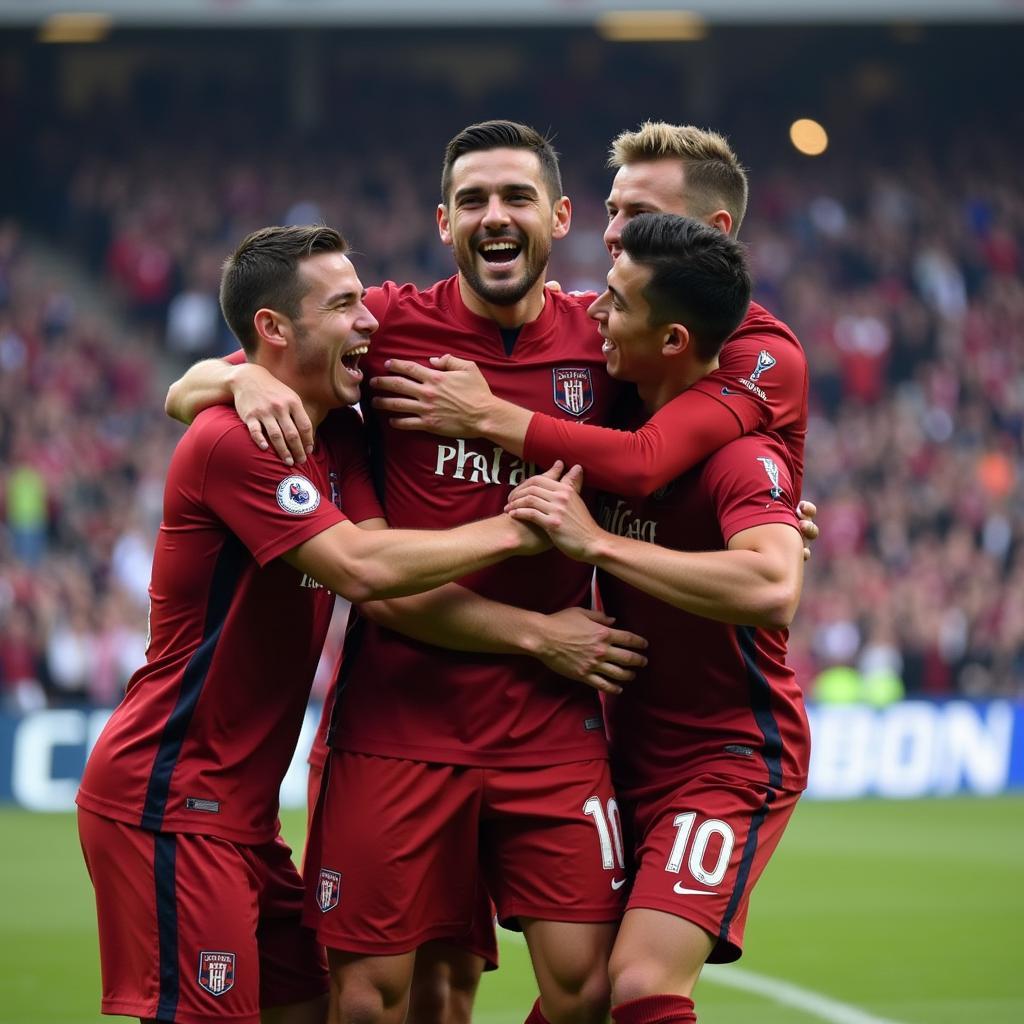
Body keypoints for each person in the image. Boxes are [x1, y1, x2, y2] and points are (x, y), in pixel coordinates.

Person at [165, 122, 650, 1024]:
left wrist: (777, 513)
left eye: (514, 197)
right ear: (443, 221)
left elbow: (687, 429)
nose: (493, 217)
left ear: (561, 215)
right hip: (398, 720)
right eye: (472, 201)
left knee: (588, 992)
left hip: (551, 723)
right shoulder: (386, 326)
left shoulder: (605, 342)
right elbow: (189, 386)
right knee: (369, 1001)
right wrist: (236, 384)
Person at [76, 224, 566, 1024]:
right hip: (168, 800)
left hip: (243, 818)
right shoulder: (234, 441)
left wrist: (226, 377)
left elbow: (190, 387)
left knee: (317, 1009)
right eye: (344, 304)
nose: (369, 319)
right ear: (275, 330)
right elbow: (363, 569)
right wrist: (527, 526)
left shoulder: (331, 425)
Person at [506, 212, 810, 1024]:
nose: (594, 313)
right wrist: (232, 376)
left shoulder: (742, 457)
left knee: (642, 981)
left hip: (726, 756)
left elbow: (774, 586)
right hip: (616, 749)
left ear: (673, 340)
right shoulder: (617, 428)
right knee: (580, 991)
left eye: (614, 302)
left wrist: (598, 544)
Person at [370, 120, 810, 501]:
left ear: (714, 230)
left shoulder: (765, 354)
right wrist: (295, 389)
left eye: (640, 214)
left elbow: (645, 459)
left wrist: (486, 413)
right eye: (612, 211)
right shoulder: (604, 329)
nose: (612, 233)